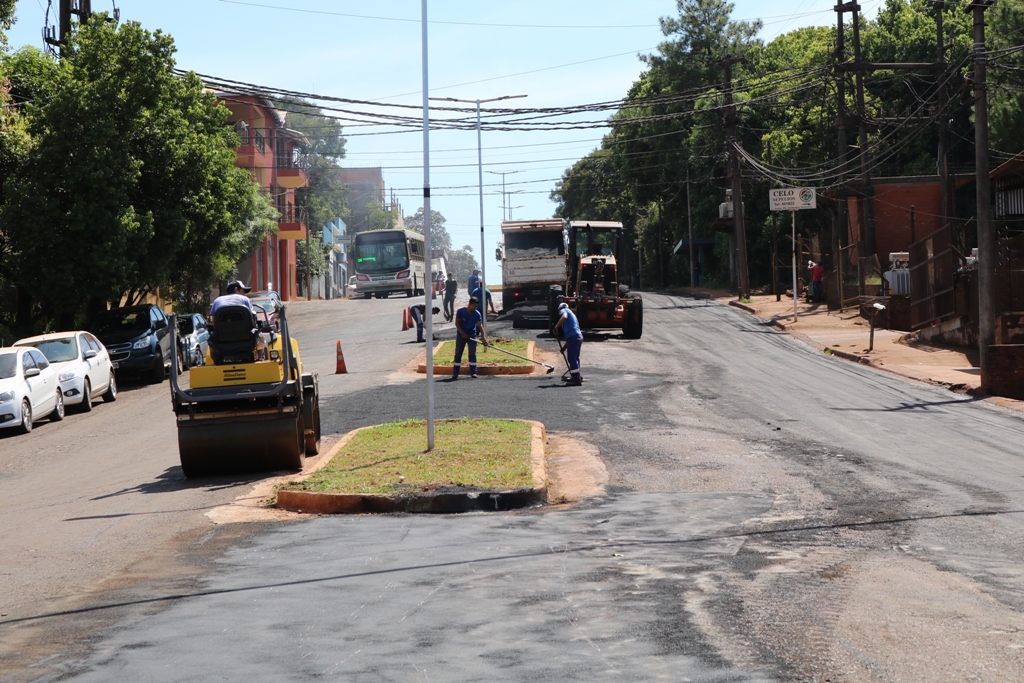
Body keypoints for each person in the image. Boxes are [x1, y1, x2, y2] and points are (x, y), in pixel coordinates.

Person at [452, 296, 488, 380]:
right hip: (461, 336)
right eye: (474, 306)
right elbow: (457, 324)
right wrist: (462, 333)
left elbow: (480, 326)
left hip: (472, 335)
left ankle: (473, 372)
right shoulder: (460, 311)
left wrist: (483, 337)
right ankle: (455, 373)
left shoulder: (477, 314)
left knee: (472, 354)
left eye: (476, 306)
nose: (475, 308)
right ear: (469, 304)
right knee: (458, 353)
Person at [553, 302, 583, 386]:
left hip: (574, 337)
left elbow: (564, 316)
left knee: (572, 358)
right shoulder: (572, 315)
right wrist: (564, 348)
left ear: (559, 309)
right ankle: (576, 375)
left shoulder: (564, 311)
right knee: (575, 358)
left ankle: (576, 378)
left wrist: (556, 327)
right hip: (577, 337)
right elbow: (571, 336)